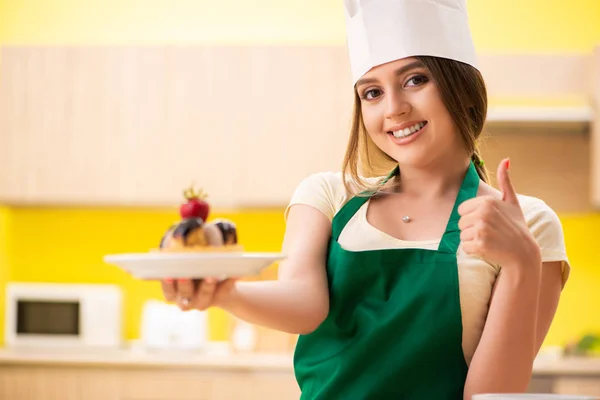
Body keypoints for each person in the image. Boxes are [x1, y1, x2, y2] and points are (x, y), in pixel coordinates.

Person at [161, 0, 570, 398]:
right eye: (372, 92)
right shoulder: (328, 196)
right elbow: (305, 304)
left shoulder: (528, 223)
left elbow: (490, 397)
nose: (394, 109)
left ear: (461, 87)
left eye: (415, 80)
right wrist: (226, 293)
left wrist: (522, 262)